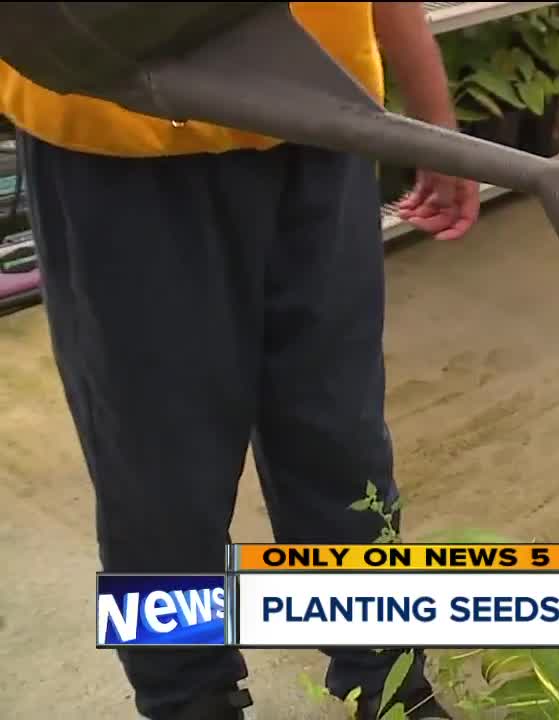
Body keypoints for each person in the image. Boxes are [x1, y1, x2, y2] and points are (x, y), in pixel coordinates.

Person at [0, 3, 477, 719]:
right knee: (157, 471)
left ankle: (387, 675)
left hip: (317, 113)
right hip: (117, 134)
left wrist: (433, 116)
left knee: (341, 443)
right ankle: (187, 696)